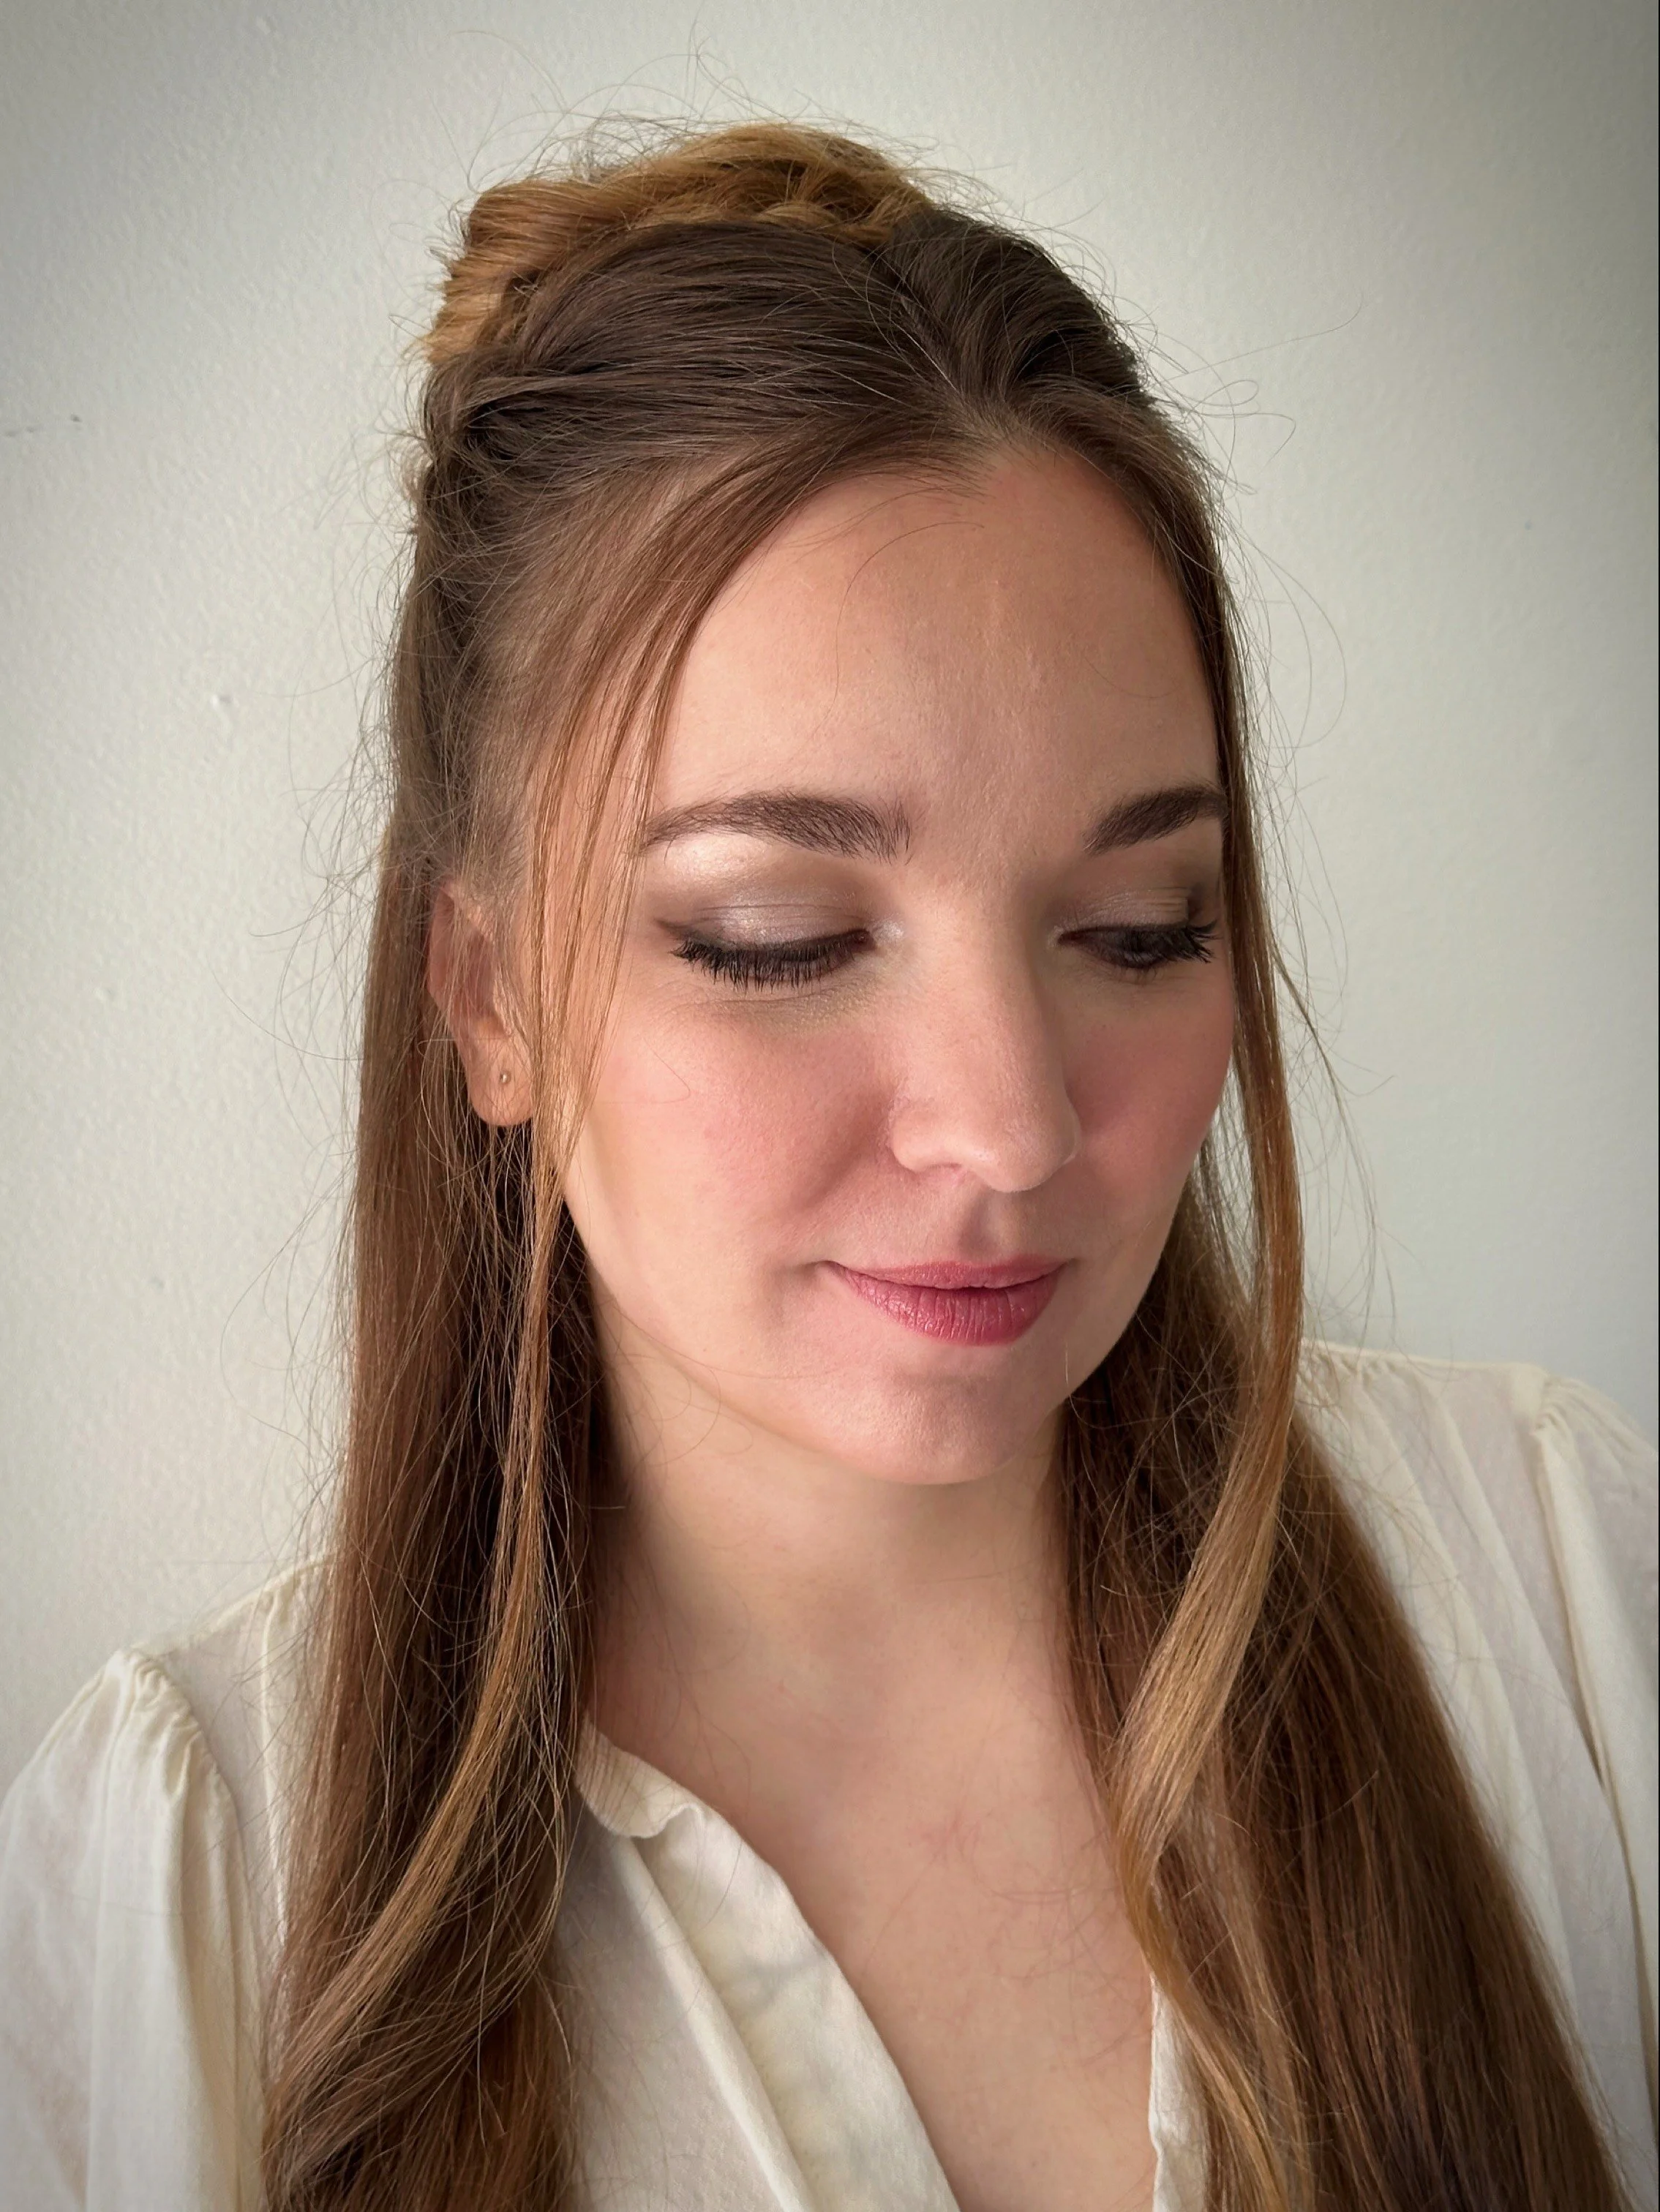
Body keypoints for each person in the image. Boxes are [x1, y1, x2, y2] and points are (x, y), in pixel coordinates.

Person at [0, 120, 1653, 2212]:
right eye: (777, 939)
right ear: (493, 997)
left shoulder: (1561, 1608)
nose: (1011, 1125)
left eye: (1138, 929)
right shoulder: (194, 1884)